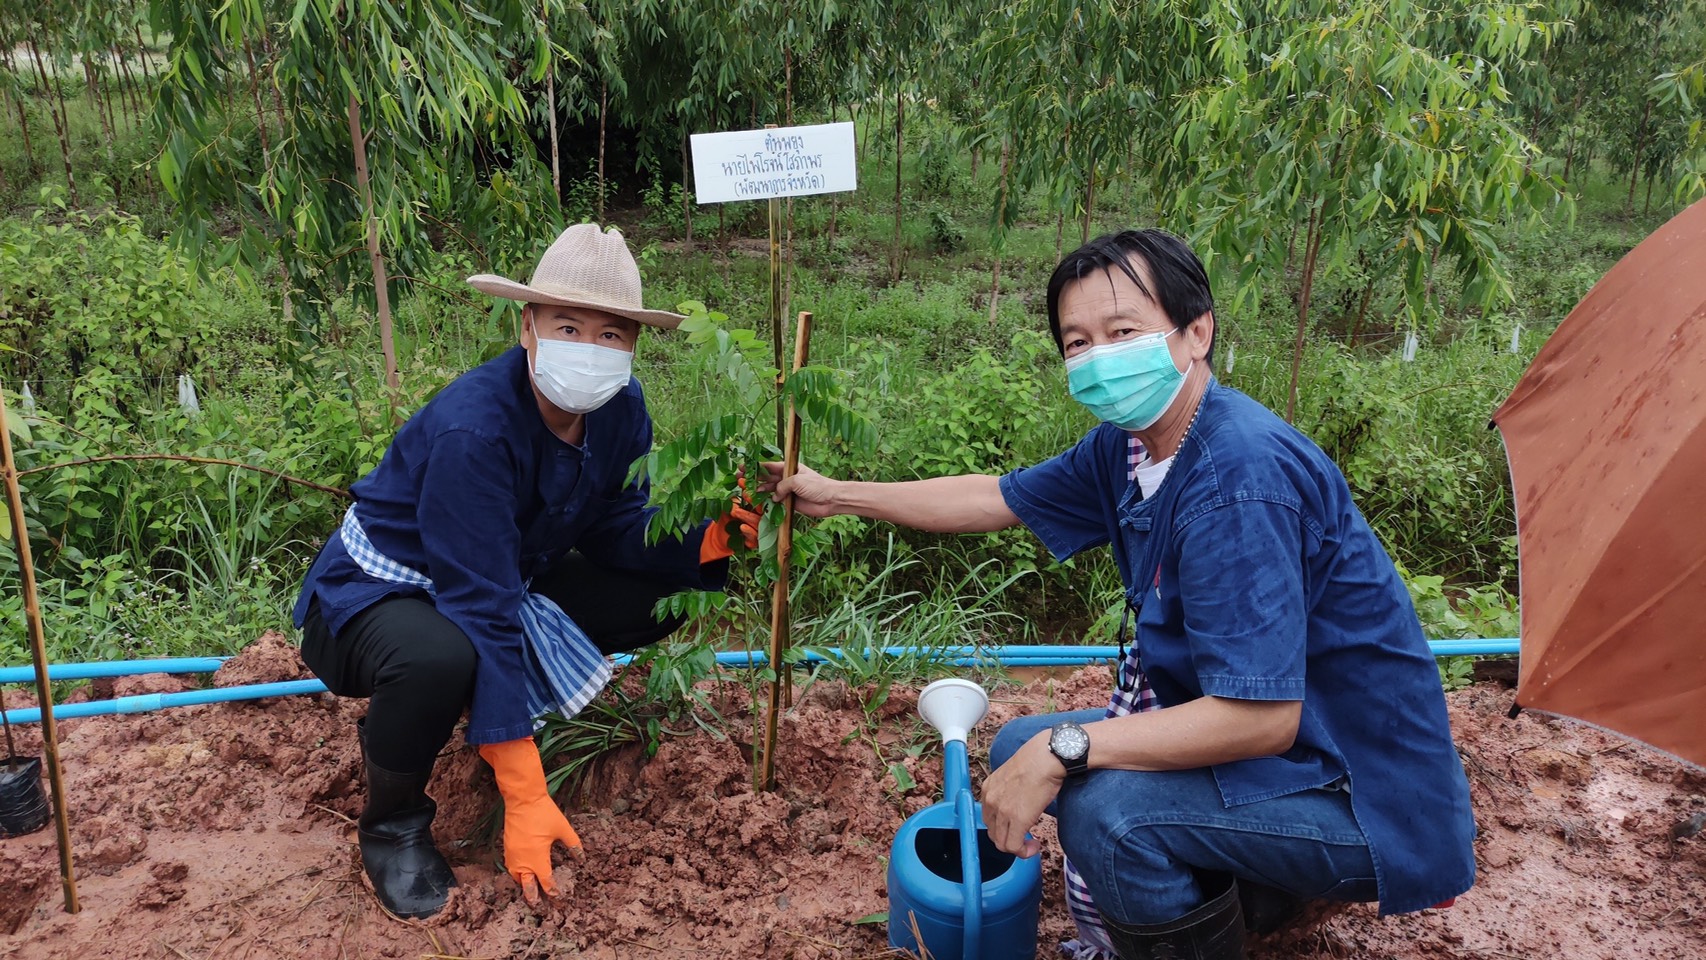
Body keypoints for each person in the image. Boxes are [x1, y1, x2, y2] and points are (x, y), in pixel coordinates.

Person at [761, 229, 1475, 960]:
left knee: (1109, 812)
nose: (1099, 357)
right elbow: (993, 498)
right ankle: (1255, 899)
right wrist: (837, 496)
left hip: (1359, 795)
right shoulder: (1132, 445)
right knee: (1017, 745)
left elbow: (1261, 719)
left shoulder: (1237, 482)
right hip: (1293, 758)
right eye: (1077, 342)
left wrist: (1065, 749)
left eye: (1122, 331)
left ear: (1196, 332)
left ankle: (1243, 911)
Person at [292, 223, 757, 919]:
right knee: (439, 659)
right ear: (528, 327)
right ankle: (392, 825)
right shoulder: (473, 432)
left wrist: (714, 538)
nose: (589, 350)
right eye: (568, 326)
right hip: (371, 597)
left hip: (497, 576)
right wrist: (527, 793)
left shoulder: (620, 411)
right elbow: (482, 608)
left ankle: (489, 714)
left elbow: (614, 526)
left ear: (633, 346)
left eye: (611, 336)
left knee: (658, 593)